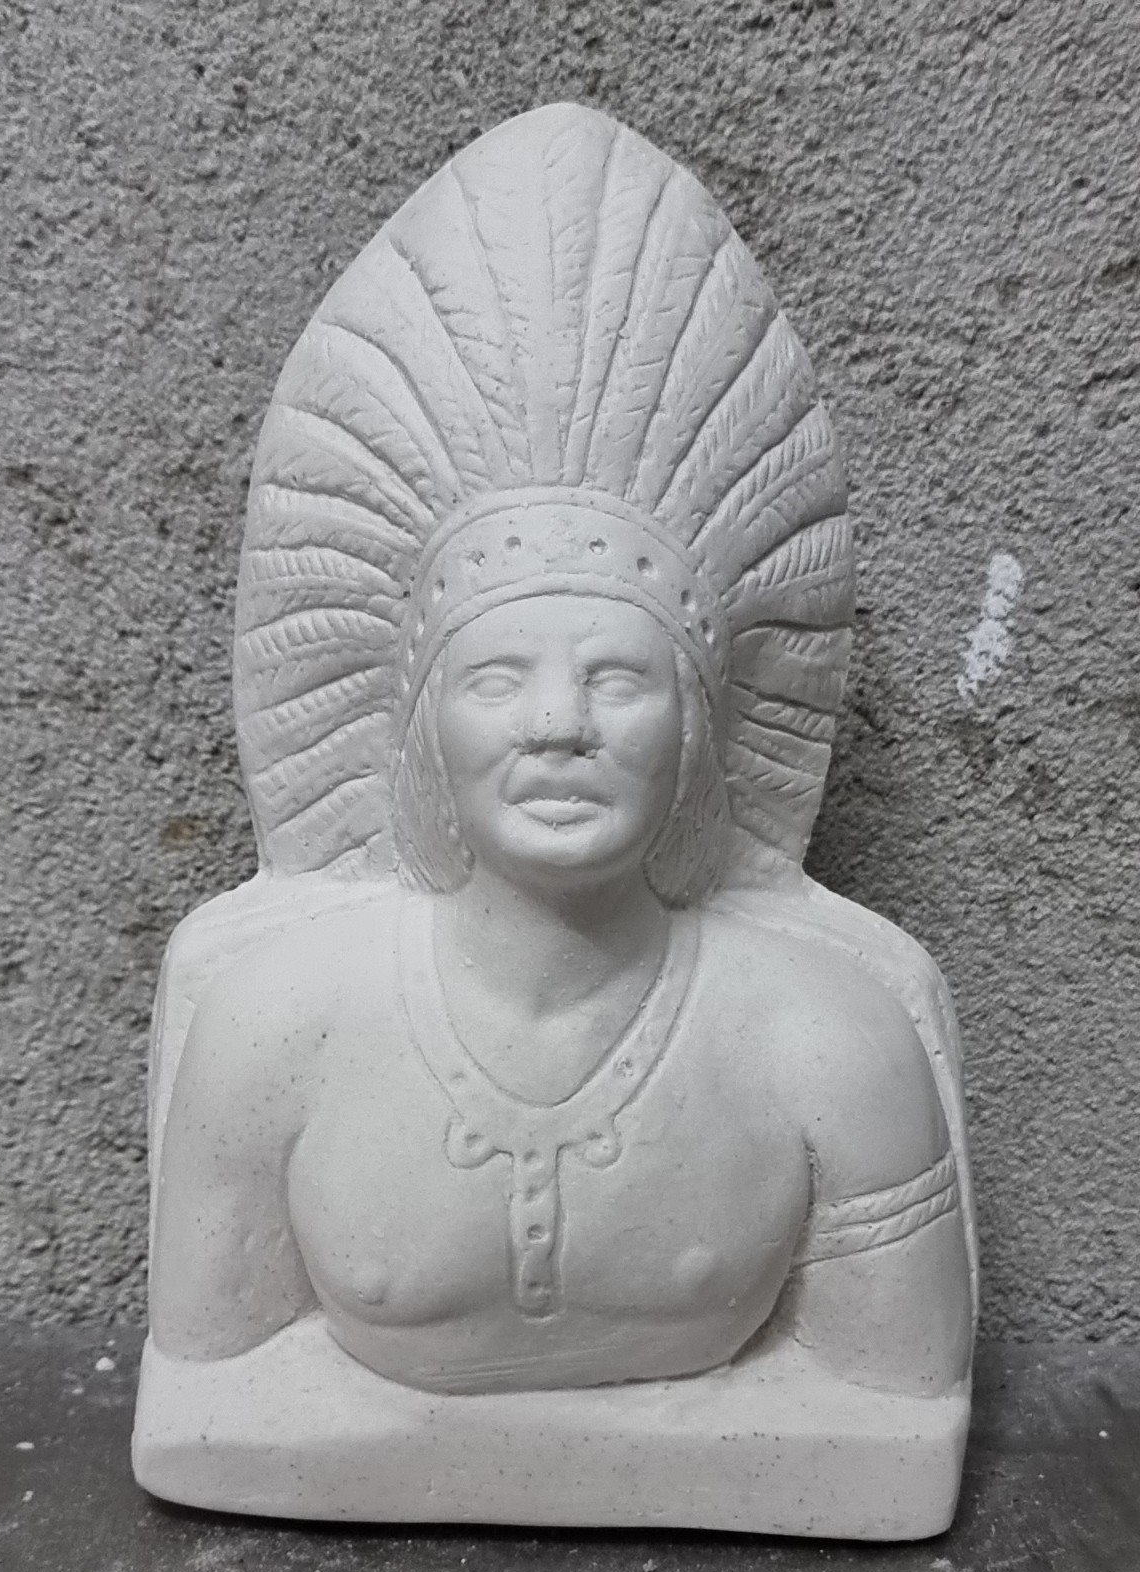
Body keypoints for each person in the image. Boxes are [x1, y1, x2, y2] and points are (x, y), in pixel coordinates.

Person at [148, 104, 973, 1413]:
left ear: (698, 733)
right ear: (420, 731)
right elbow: (207, 1397)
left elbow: (899, 1410)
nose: (557, 724)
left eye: (619, 677)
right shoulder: (271, 1025)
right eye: (495, 677)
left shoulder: (834, 1041)